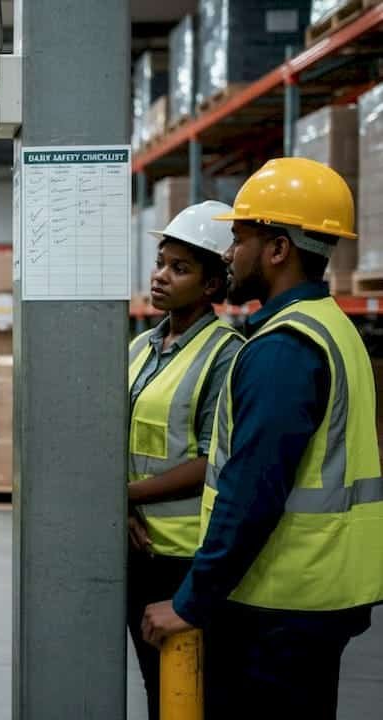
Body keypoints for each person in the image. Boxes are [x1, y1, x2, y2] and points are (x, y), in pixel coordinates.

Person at [142, 157, 383, 717]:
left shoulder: (282, 349)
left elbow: (252, 491)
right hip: (317, 595)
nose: (228, 254)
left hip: (278, 603)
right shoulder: (330, 326)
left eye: (241, 239)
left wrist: (191, 601)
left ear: (277, 249)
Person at [125, 201, 242, 719]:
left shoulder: (226, 354)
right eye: (160, 262)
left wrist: (123, 496)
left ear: (214, 284)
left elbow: (211, 461)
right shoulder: (138, 349)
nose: (160, 276)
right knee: (158, 691)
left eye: (180, 268)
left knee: (192, 695)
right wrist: (123, 508)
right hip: (136, 548)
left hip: (186, 557)